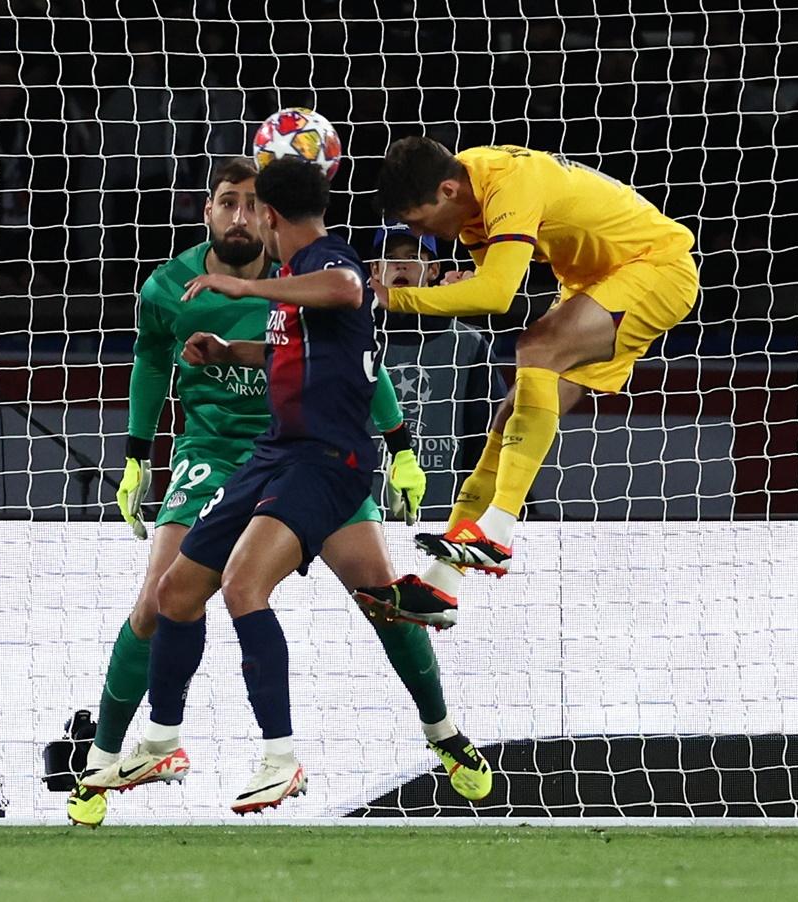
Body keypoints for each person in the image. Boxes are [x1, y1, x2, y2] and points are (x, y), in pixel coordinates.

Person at [77, 157, 491, 819]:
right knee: (168, 595)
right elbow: (174, 361)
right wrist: (137, 451)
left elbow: (351, 308)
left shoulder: (311, 270)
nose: (240, 216)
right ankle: (120, 753)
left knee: (358, 598)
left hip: (316, 457)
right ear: (207, 210)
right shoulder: (169, 287)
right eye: (226, 203)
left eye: (251, 203)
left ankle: (434, 730)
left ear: (268, 213)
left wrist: (402, 445)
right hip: (225, 453)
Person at [355, 139, 698, 627]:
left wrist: (400, 300)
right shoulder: (469, 198)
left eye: (418, 220)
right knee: (509, 416)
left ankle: (496, 532)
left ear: (448, 190)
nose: (418, 231)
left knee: (536, 346)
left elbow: (496, 295)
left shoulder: (507, 185)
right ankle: (441, 584)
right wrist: (466, 282)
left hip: (654, 268)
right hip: (595, 284)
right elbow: (491, 280)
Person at [370, 223, 505, 520]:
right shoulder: (356, 340)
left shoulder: (469, 345)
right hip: (364, 517)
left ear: (433, 270)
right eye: (390, 257)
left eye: (413, 254)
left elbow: (486, 437)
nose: (401, 264)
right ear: (375, 272)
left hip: (445, 516)